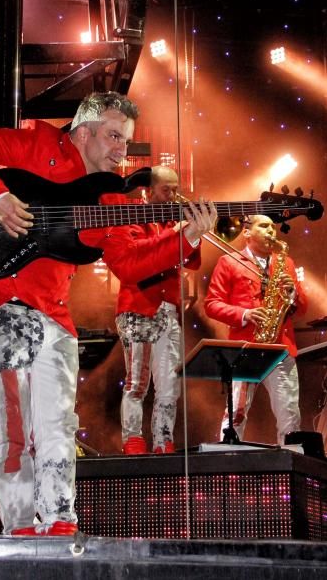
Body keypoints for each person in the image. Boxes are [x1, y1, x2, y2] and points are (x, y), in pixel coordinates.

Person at [0, 92, 215, 536]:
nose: (121, 150)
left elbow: (129, 264)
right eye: (113, 137)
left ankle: (60, 525)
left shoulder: (113, 197)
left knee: (58, 427)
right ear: (82, 133)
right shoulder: (38, 146)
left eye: (126, 141)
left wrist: (187, 238)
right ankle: (19, 531)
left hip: (54, 314)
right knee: (12, 429)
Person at [99, 166, 202, 455]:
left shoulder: (173, 220)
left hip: (169, 310)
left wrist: (194, 230)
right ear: (149, 190)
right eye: (167, 190)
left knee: (170, 385)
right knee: (137, 382)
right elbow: (137, 252)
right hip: (138, 307)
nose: (173, 196)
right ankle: (133, 441)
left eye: (176, 189)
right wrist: (177, 234)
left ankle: (163, 441)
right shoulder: (132, 214)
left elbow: (192, 263)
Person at [204, 214, 307, 445]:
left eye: (273, 226)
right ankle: (228, 463)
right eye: (264, 226)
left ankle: (291, 465)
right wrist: (245, 314)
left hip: (280, 347)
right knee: (235, 415)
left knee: (290, 416)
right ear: (247, 232)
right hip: (245, 347)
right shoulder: (229, 261)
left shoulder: (286, 262)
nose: (272, 231)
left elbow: (302, 308)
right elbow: (211, 304)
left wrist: (294, 295)